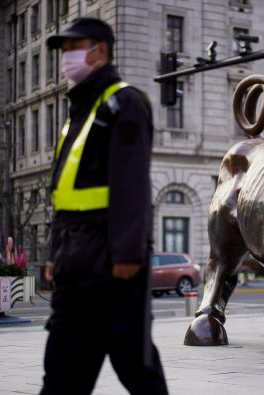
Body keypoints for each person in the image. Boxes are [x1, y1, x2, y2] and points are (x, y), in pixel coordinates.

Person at [41, 17, 168, 395]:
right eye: (64, 50)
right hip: (75, 261)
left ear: (98, 50)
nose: (65, 57)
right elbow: (63, 197)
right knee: (62, 372)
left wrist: (127, 254)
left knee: (136, 366)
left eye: (72, 48)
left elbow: (131, 184)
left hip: (115, 267)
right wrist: (54, 253)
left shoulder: (124, 102)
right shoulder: (78, 110)